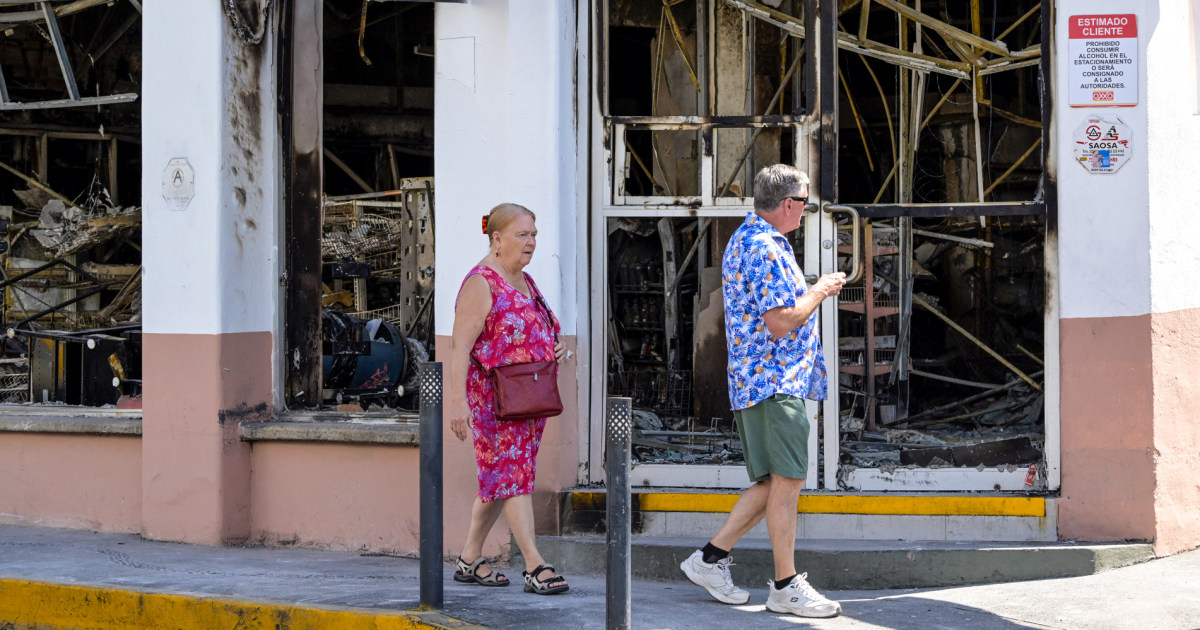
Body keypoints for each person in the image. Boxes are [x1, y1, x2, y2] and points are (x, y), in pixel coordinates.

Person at [679, 164, 846, 618]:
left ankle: (710, 559)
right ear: (789, 204)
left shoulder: (752, 240)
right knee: (787, 481)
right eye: (805, 204)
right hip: (775, 380)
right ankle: (786, 585)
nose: (806, 212)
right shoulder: (764, 248)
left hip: (765, 381)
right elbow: (781, 320)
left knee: (773, 481)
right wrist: (821, 289)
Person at [448, 203, 570, 595]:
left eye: (534, 234)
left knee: (499, 483)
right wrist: (457, 404)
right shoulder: (480, 283)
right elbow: (459, 348)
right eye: (523, 235)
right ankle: (535, 564)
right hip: (494, 404)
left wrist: (554, 348)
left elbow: (532, 332)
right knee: (513, 481)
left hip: (528, 402)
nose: (531, 242)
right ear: (497, 239)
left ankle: (469, 559)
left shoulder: (524, 280)